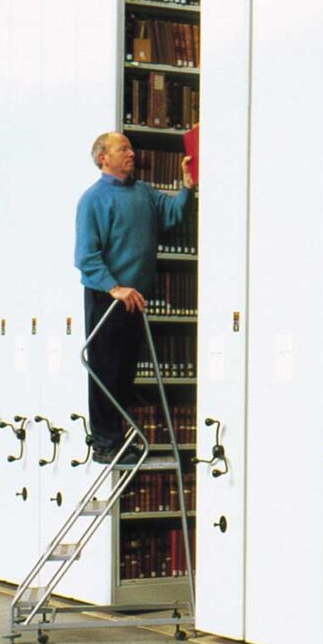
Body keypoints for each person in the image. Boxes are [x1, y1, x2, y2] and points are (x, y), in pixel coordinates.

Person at [74, 132, 194, 454]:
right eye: (122, 148)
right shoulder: (93, 199)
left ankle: (119, 439)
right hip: (107, 297)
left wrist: (186, 185)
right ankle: (105, 443)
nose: (131, 152)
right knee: (105, 371)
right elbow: (85, 256)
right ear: (103, 158)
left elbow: (173, 215)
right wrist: (114, 287)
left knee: (126, 372)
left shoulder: (144, 192)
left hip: (135, 300)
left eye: (130, 147)